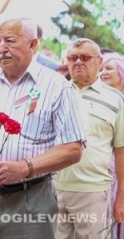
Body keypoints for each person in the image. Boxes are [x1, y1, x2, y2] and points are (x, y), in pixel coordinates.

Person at [0, 18, 85, 238]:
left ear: (33, 45)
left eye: (10, 41)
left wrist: (25, 167)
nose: (2, 48)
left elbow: (73, 148)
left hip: (31, 198)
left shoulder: (57, 86)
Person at [55, 40, 124, 239]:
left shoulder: (115, 99)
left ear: (99, 61)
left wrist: (120, 198)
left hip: (93, 192)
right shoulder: (56, 94)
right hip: (54, 190)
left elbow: (121, 151)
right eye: (72, 58)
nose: (78, 62)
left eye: (85, 57)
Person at [100, 53, 124, 239]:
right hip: (105, 176)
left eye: (109, 68)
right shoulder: (100, 104)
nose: (103, 73)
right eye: (101, 69)